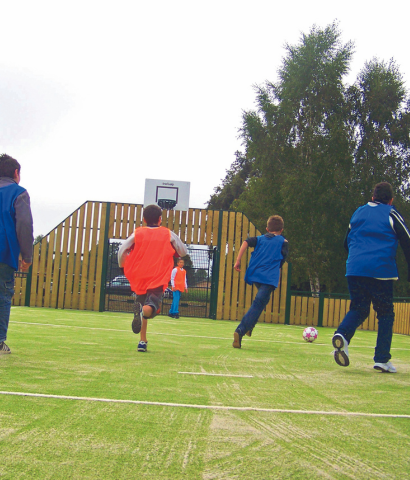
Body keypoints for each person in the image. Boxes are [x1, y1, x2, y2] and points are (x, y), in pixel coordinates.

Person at [332, 182, 410, 373]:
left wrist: (357, 259)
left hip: (354, 268)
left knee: (359, 308)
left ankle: (342, 334)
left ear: (373, 197)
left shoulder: (358, 212)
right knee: (385, 313)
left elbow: (346, 242)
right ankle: (382, 359)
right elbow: (407, 241)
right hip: (380, 271)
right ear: (390, 200)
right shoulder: (391, 213)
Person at [118, 204, 187, 352]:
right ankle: (143, 311)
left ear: (143, 219)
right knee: (151, 308)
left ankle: (142, 341)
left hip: (140, 276)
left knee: (144, 305)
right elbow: (183, 250)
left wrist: (123, 265)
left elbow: (122, 249)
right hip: (157, 276)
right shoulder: (167, 233)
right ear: (160, 219)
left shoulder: (138, 233)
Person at [232, 215, 288, 348]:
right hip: (269, 278)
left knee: (263, 300)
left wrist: (238, 260)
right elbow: (282, 259)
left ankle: (250, 326)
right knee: (258, 303)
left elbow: (246, 241)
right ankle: (241, 330)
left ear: (267, 228)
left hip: (255, 274)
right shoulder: (283, 241)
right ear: (281, 230)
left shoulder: (259, 239)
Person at [0, 154, 34, 355]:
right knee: (3, 295)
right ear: (16, 173)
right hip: (4, 254)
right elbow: (24, 225)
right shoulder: (19, 193)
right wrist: (27, 256)